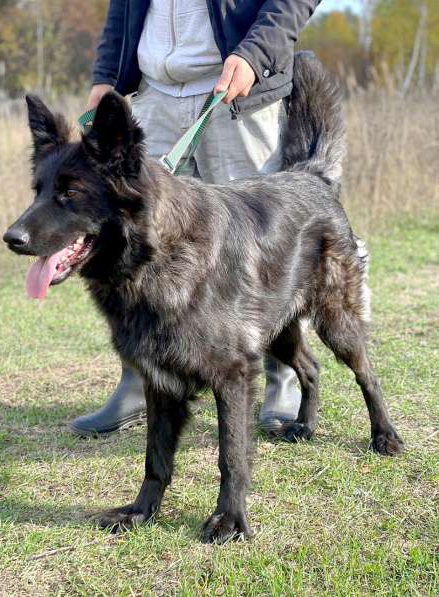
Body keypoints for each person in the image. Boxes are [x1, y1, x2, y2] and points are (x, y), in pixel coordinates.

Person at [69, 0, 321, 437]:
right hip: (154, 96)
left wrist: (256, 53)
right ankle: (141, 378)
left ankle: (283, 378)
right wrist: (106, 77)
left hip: (237, 86)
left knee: (261, 248)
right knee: (138, 251)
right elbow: (121, 10)